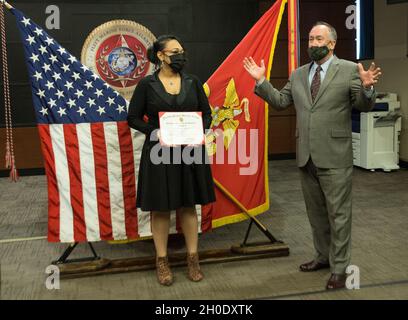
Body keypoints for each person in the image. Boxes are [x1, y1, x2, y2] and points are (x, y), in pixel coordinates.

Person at [243, 21, 382, 290]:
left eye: (319, 39)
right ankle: (322, 257)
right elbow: (281, 103)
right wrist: (261, 81)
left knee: (338, 215)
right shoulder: (297, 75)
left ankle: (340, 268)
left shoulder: (350, 70)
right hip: (306, 156)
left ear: (331, 43)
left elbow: (363, 106)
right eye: (310, 39)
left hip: (335, 156)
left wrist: (366, 88)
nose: (313, 44)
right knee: (316, 214)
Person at [127, 35, 216, 286]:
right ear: (161, 56)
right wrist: (156, 132)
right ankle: (162, 260)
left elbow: (207, 113)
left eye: (182, 50)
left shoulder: (193, 81)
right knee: (161, 206)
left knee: (189, 205)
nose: (181, 55)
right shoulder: (147, 84)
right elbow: (133, 118)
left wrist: (199, 129)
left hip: (190, 150)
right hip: (159, 151)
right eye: (175, 51)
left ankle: (192, 258)